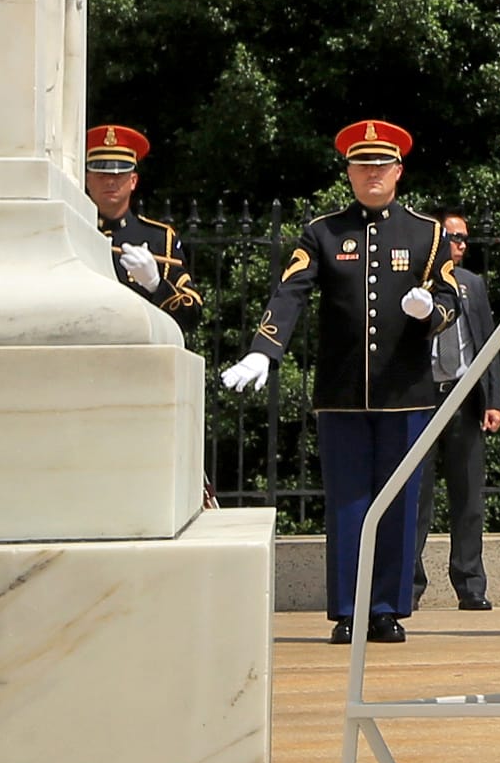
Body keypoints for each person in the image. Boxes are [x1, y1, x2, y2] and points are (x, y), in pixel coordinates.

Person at [222, 119, 459, 644]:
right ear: (348, 172)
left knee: (398, 501)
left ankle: (387, 608)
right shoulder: (323, 232)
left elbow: (450, 301)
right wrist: (265, 349)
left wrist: (430, 312)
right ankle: (350, 608)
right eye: (361, 165)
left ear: (398, 170)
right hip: (342, 392)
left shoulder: (427, 232)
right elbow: (291, 291)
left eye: (381, 164)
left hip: (405, 393)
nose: (371, 173)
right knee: (349, 500)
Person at [424, 212, 500, 611]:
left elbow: (487, 344)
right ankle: (409, 587)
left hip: (463, 397)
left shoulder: (472, 284)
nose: (459, 244)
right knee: (416, 496)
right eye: (453, 237)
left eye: (463, 239)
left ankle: (471, 584)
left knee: (469, 497)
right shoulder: (417, 282)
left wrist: (493, 400)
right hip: (422, 398)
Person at [84, 124, 207, 327]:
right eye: (101, 175)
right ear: (88, 181)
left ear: (133, 181)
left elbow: (192, 314)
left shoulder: (159, 238)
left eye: (118, 175)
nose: (110, 182)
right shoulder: (71, 229)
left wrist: (156, 285)